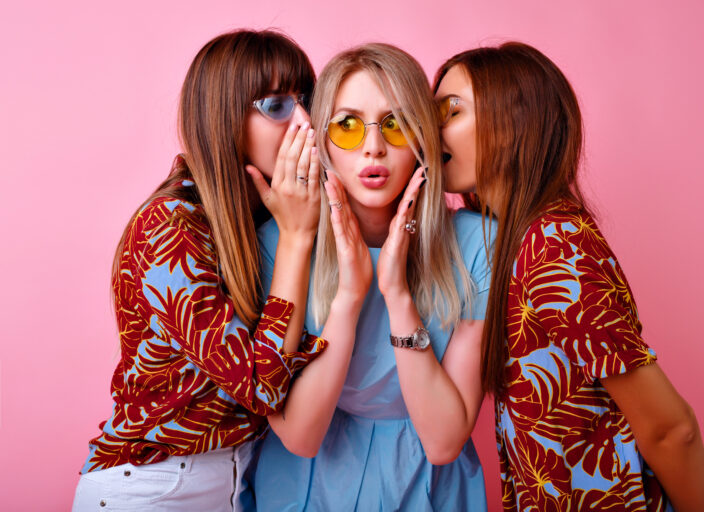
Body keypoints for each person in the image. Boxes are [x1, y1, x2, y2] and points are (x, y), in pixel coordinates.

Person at [433, 42, 704, 511]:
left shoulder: (557, 245)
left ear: (514, 121)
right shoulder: (512, 240)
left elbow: (671, 429)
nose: (432, 129)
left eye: (451, 110)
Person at [72, 30, 327, 511]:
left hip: (235, 485)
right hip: (154, 487)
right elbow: (261, 386)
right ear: (224, 117)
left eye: (307, 100)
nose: (305, 122)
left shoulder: (260, 220)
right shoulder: (169, 227)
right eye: (276, 106)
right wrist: (297, 239)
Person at [248, 43, 491, 511]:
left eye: (396, 124)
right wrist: (349, 298)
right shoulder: (275, 245)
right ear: (319, 140)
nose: (373, 147)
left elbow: (444, 442)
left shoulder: (478, 242)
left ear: (423, 135)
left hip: (432, 487)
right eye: (348, 125)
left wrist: (397, 295)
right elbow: (300, 434)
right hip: (306, 485)